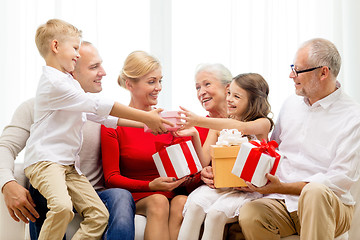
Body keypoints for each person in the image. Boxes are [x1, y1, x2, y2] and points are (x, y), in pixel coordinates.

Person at [25, 19, 171, 240]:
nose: (76, 54)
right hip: (46, 163)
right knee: (62, 208)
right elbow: (99, 106)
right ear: (55, 46)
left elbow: (103, 116)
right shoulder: (54, 84)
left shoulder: (69, 84)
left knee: (99, 215)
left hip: (68, 166)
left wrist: (144, 124)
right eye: (75, 48)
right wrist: (145, 117)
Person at [227, 38, 360, 240]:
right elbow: (273, 151)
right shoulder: (290, 104)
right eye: (292, 68)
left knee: (315, 192)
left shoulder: (353, 116)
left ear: (323, 72)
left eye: (298, 70)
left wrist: (283, 186)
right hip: (283, 200)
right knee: (251, 213)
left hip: (331, 204)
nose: (291, 75)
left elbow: (338, 182)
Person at [101, 50, 188, 240]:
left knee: (179, 202)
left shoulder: (167, 121)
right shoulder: (114, 124)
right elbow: (111, 178)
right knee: (158, 201)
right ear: (129, 84)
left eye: (160, 81)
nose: (158, 87)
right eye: (151, 82)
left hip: (168, 192)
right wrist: (150, 185)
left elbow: (182, 166)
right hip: (137, 194)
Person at [177, 73, 274, 240]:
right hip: (221, 187)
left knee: (216, 215)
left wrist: (198, 120)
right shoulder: (219, 125)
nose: (229, 99)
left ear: (253, 101)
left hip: (247, 191)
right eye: (229, 93)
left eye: (236, 96)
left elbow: (240, 127)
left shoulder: (262, 123)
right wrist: (194, 135)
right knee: (194, 206)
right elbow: (203, 162)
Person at [194, 63, 232, 145]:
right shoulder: (195, 132)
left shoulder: (245, 124)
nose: (201, 92)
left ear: (227, 88)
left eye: (207, 84)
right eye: (198, 88)